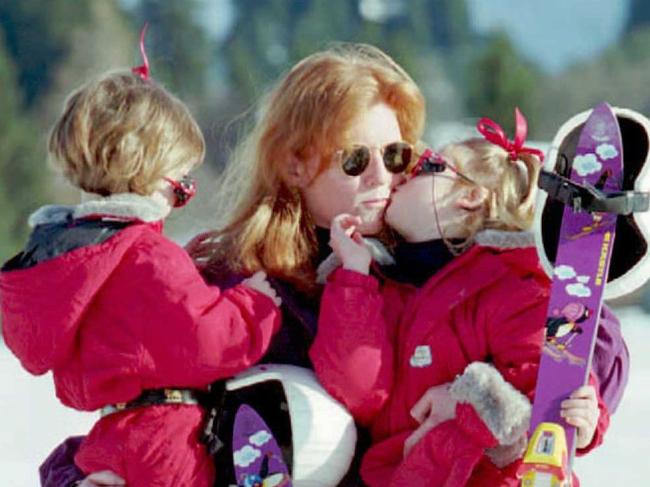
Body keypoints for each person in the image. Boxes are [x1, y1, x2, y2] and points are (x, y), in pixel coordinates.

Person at [34, 43, 429, 487]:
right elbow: (135, 428)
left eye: (396, 155)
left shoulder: (427, 279)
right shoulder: (225, 278)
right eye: (355, 160)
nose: (382, 177)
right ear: (294, 164)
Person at [0, 67, 284, 487]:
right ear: (146, 173)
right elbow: (207, 342)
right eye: (181, 185)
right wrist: (254, 305)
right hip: (167, 443)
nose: (181, 197)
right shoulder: (147, 255)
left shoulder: (71, 261)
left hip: (110, 437)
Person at [311, 111, 612, 486]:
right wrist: (354, 276)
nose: (403, 174)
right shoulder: (383, 281)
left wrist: (582, 419)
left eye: (428, 167)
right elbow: (358, 390)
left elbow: (550, 376)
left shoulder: (506, 281)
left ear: (469, 196)